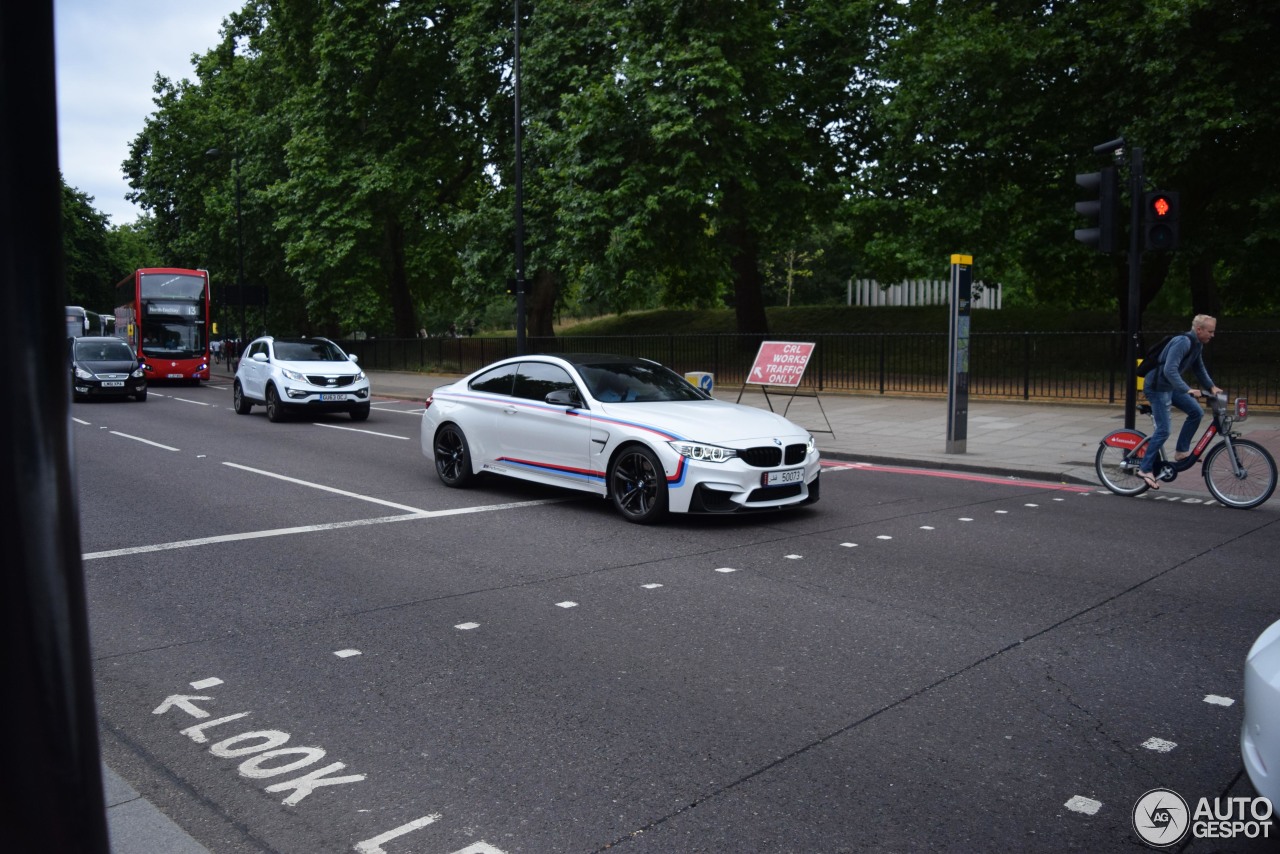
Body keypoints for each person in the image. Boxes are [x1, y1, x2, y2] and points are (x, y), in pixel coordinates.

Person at [1138, 314, 1223, 490]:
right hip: (1157, 387)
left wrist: (1212, 387)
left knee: (1196, 412)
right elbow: (1170, 369)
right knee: (1164, 430)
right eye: (1210, 331)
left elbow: (1199, 368)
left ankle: (1181, 452)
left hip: (1169, 386)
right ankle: (1145, 469)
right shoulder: (1183, 342)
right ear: (1199, 329)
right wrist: (1187, 389)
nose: (1212, 335)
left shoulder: (1197, 344)